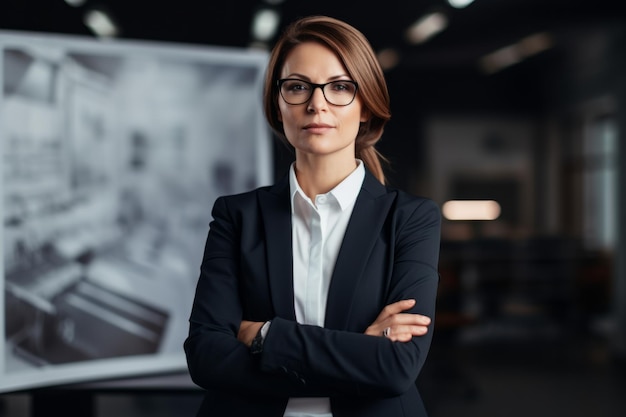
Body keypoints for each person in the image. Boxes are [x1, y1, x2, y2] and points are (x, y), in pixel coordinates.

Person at [184, 15, 441, 417]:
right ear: (277, 104)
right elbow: (206, 355)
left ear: (366, 107)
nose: (316, 103)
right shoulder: (237, 216)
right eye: (297, 87)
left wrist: (264, 336)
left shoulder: (410, 218)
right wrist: (358, 351)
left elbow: (395, 368)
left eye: (339, 87)